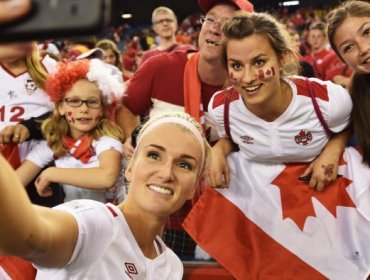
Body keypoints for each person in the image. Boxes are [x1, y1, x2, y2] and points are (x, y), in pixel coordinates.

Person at [184, 11, 370, 279]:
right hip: (265, 213)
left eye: (259, 62)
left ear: (283, 59)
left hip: (327, 210)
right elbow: (231, 138)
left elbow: (351, 125)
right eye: (236, 66)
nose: (248, 78)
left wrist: (332, 150)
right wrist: (219, 150)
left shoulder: (328, 101)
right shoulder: (222, 108)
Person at [117, 0, 254, 258]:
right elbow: (126, 107)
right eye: (211, 19)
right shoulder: (161, 66)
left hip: (219, 208)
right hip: (159, 207)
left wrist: (222, 149)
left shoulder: (249, 85)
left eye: (228, 25)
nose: (215, 29)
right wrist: (134, 137)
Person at [0, 111, 210, 279]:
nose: (166, 173)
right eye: (154, 155)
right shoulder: (94, 222)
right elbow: (31, 236)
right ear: (130, 168)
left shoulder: (171, 266)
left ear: (193, 187)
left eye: (184, 165)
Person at [16, 59, 125, 204]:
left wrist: (52, 173)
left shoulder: (107, 141)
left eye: (92, 102)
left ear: (104, 109)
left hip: (109, 223)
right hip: (71, 223)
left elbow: (107, 177)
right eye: (74, 101)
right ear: (60, 107)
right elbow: (15, 182)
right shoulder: (53, 145)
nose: (84, 109)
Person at [327, 0, 370, 165]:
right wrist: (334, 146)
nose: (363, 48)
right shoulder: (355, 96)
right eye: (348, 47)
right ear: (343, 61)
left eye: (367, 31)